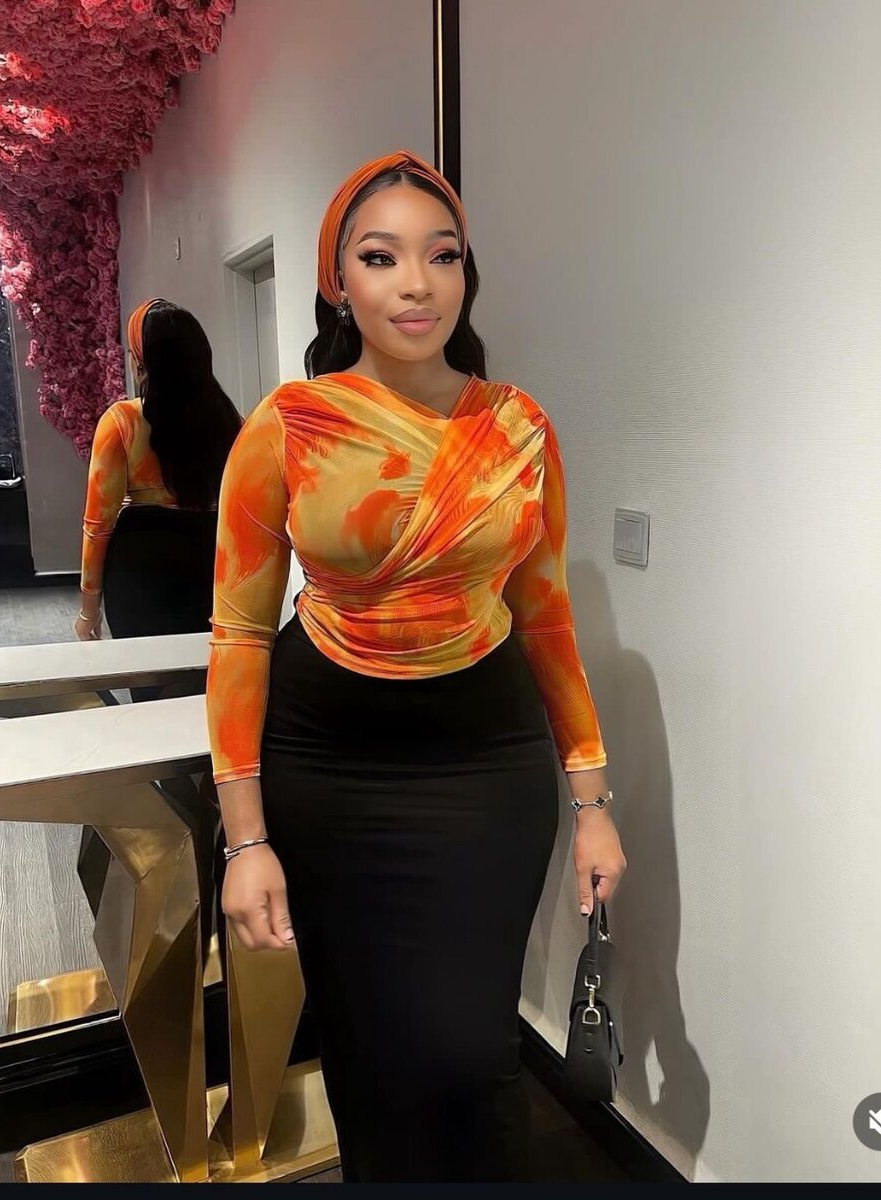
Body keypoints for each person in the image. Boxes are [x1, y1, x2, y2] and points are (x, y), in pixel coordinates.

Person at [205, 150, 627, 1182]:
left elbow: (545, 618)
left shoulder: (517, 427)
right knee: (368, 1049)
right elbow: (239, 631)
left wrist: (592, 803)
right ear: (336, 280)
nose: (416, 284)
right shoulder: (287, 426)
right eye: (380, 256)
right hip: (327, 766)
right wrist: (244, 838)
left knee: (473, 1050)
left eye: (442, 256)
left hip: (484, 762)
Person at [75, 299, 242, 644]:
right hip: (213, 565)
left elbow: (97, 527)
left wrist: (88, 610)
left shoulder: (121, 422)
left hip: (139, 568)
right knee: (206, 669)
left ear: (141, 363)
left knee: (147, 669)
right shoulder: (231, 421)